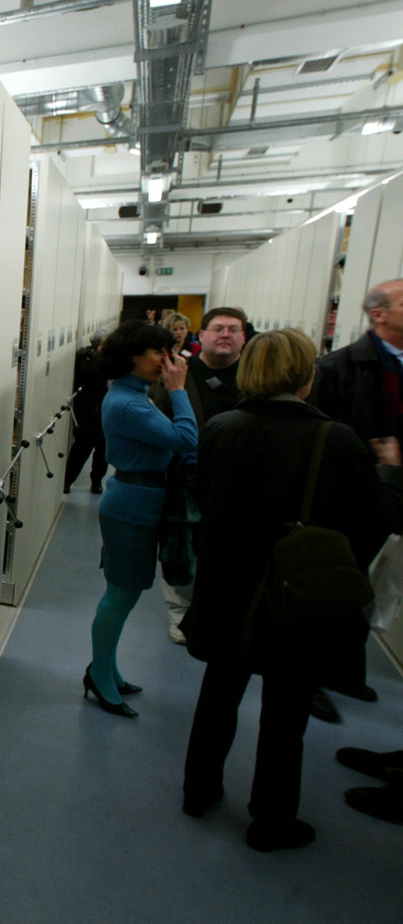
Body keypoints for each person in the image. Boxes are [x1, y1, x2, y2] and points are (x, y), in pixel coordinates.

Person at [179, 329, 403, 852]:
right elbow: (376, 521)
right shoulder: (338, 440)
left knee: (218, 696)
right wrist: (391, 472)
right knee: (286, 713)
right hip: (295, 598)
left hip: (230, 590)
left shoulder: (221, 429)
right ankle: (272, 821)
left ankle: (198, 791)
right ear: (308, 376)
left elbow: (209, 500)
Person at [84, 320, 197, 718]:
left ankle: (108, 670)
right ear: (133, 357)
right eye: (158, 354)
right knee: (121, 594)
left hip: (139, 500)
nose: (166, 362)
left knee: (125, 593)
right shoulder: (128, 403)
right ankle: (99, 675)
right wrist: (178, 392)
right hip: (131, 505)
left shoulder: (133, 393)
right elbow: (186, 439)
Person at [308, 278, 403, 706]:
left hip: (393, 495)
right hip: (345, 499)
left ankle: (345, 670)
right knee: (328, 585)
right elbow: (317, 438)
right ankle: (309, 679)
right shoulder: (337, 368)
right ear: (379, 314)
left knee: (366, 585)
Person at [149, 307, 250, 645]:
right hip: (184, 481)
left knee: (226, 552)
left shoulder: (255, 379)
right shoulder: (179, 373)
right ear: (201, 336)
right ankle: (180, 615)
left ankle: (214, 613)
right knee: (179, 549)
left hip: (237, 482)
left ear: (244, 338)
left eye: (233, 329)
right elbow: (158, 418)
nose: (225, 334)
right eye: (218, 328)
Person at [63, 329, 108, 495]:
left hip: (105, 411)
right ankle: (68, 481)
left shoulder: (111, 360)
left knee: (103, 451)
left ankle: (97, 481)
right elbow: (90, 376)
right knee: (81, 448)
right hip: (86, 411)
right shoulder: (83, 357)